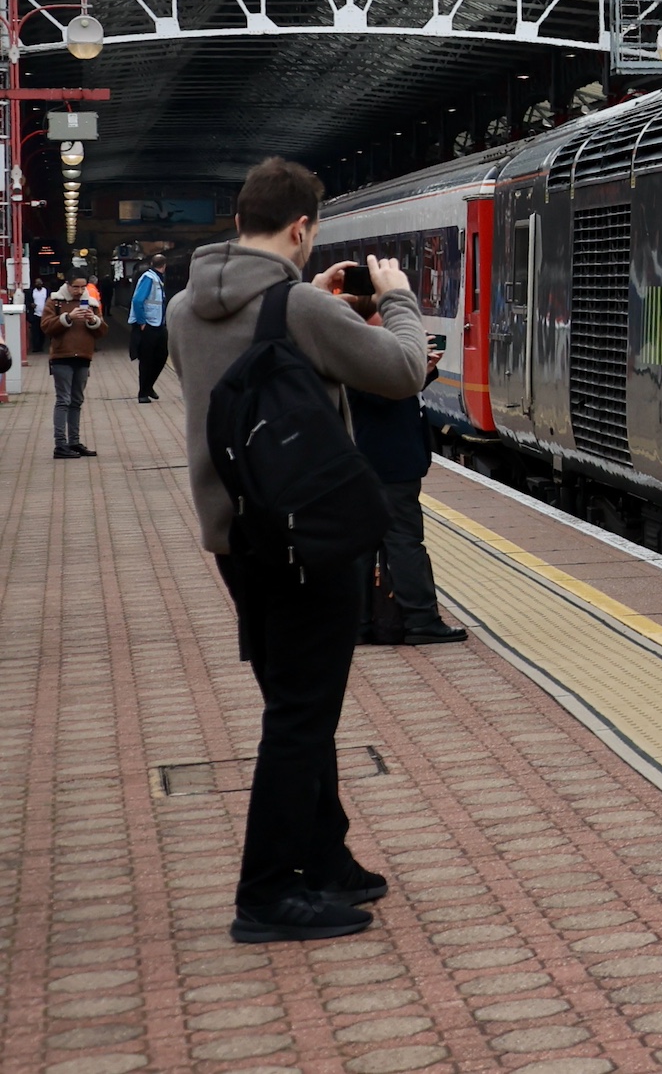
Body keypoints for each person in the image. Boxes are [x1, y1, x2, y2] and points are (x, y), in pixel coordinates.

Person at [172, 157, 428, 944]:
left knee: (295, 701)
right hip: (310, 536)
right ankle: (267, 891)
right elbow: (404, 370)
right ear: (301, 228)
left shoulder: (186, 305)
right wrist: (397, 299)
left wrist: (304, 309)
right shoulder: (301, 309)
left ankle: (326, 860)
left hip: (236, 534)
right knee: (301, 716)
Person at [345, 297, 468, 645]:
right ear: (369, 323)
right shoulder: (363, 354)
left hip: (374, 461)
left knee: (365, 545)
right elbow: (384, 398)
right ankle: (420, 618)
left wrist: (422, 372)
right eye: (387, 320)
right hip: (388, 465)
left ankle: (360, 622)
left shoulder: (358, 351)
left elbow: (391, 395)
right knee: (404, 542)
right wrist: (413, 370)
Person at [40, 276, 105, 459]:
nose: (79, 291)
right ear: (67, 285)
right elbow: (46, 326)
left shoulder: (91, 303)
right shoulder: (55, 301)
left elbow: (102, 331)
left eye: (83, 287)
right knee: (63, 400)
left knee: (77, 400)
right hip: (62, 356)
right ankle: (60, 444)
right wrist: (67, 318)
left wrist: (93, 321)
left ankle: (74, 442)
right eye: (75, 287)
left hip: (83, 356)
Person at [129, 253, 170, 403]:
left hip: (158, 323)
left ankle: (149, 386)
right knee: (147, 359)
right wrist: (142, 322)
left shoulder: (157, 278)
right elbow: (138, 300)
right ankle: (143, 393)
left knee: (162, 356)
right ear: (164, 266)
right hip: (148, 324)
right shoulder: (149, 278)